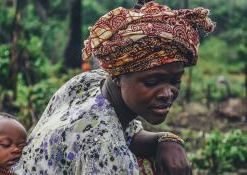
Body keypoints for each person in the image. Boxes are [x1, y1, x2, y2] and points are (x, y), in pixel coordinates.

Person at [15, 0, 215, 174]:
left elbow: (127, 133)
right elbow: (109, 138)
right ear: (117, 76)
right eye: (152, 82)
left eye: (175, 81)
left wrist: (167, 139)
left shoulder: (88, 83)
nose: (166, 94)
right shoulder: (106, 150)